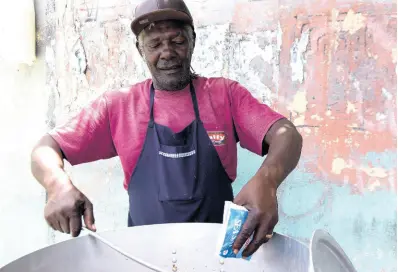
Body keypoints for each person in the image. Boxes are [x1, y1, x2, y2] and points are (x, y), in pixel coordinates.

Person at [31, 0, 302, 258]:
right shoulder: (118, 106)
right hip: (145, 262)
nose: (167, 52)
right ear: (140, 50)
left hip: (219, 262)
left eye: (177, 41)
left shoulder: (224, 96)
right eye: (155, 44)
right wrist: (58, 185)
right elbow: (46, 147)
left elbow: (286, 135)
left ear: (193, 40)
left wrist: (267, 181)